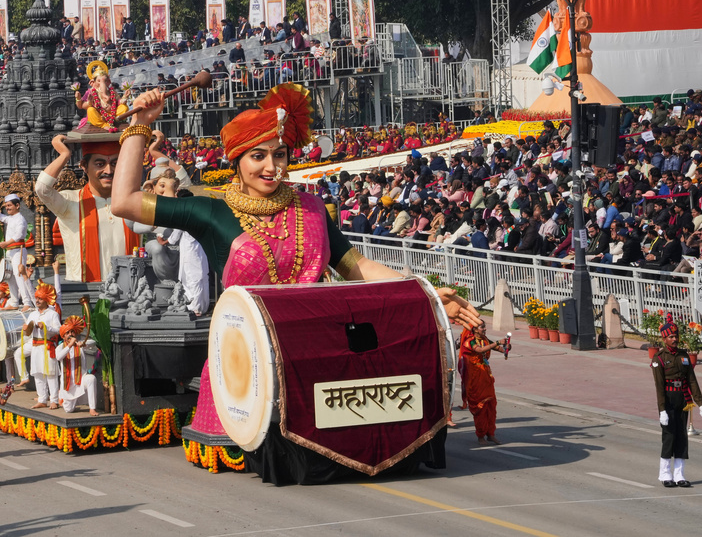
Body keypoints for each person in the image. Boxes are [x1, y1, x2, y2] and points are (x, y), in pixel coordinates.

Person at [111, 82, 481, 484]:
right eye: (258, 156)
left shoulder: (312, 207)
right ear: (236, 160)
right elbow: (125, 202)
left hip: (317, 358)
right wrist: (139, 127)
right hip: (248, 374)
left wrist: (422, 291)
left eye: (279, 154)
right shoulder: (210, 212)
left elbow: (356, 266)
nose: (272, 167)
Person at [36, 135, 139, 282]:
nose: (108, 171)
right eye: (99, 164)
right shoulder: (70, 201)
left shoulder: (134, 201)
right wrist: (65, 155)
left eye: (115, 163)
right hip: (85, 293)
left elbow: (179, 189)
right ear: (84, 166)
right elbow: (42, 189)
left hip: (131, 291)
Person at [652, 317, 702, 487]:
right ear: (664, 338)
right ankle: (665, 475)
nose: (675, 339)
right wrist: (662, 410)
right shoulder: (659, 358)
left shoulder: (683, 356)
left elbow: (692, 380)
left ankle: (679, 475)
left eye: (676, 336)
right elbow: (659, 387)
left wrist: (700, 403)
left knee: (682, 436)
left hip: (683, 399)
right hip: (668, 399)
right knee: (669, 436)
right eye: (671, 337)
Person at [15, 281, 61, 409]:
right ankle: (42, 399)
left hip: (47, 346)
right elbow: (28, 332)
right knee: (38, 374)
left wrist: (46, 327)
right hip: (35, 346)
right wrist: (26, 329)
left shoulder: (53, 314)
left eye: (40, 298)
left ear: (46, 300)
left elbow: (59, 330)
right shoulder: (33, 314)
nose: (38, 301)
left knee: (50, 374)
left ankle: (54, 400)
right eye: (36, 298)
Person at [462, 321, 501, 445]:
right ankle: (481, 436)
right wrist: (497, 343)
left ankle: (490, 434)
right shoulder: (470, 341)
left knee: (491, 405)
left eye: (484, 327)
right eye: (482, 327)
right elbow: (479, 350)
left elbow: (498, 348)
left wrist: (506, 347)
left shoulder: (485, 339)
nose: (484, 329)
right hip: (475, 377)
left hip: (486, 375)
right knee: (480, 407)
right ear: (474, 329)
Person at [0, 194, 32, 307]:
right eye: (6, 206)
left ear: (17, 206)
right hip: (10, 251)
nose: (7, 208)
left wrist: (6, 243)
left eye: (9, 205)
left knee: (19, 275)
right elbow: (0, 217)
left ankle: (27, 302)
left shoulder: (20, 219)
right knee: (10, 276)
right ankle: (14, 301)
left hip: (18, 250)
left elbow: (19, 235)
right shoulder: (11, 218)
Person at [54, 316, 99, 416]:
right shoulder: (60, 347)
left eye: (72, 332)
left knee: (91, 378)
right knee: (69, 410)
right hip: (68, 385)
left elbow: (93, 343)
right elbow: (58, 357)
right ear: (63, 336)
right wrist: (69, 345)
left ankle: (92, 408)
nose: (70, 334)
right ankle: (64, 398)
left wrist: (83, 344)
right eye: (67, 333)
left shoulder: (79, 345)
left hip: (81, 380)